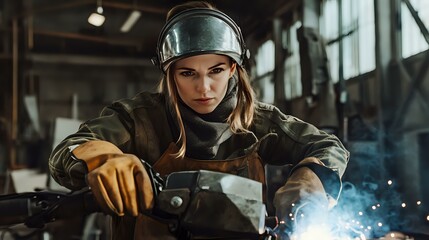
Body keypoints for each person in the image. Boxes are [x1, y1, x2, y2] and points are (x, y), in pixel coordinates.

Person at [49, 1, 349, 239]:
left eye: (215, 71)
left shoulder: (258, 123)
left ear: (233, 68)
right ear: (169, 73)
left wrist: (311, 179)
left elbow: (326, 145)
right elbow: (69, 150)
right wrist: (103, 159)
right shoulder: (137, 119)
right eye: (188, 73)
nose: (203, 88)